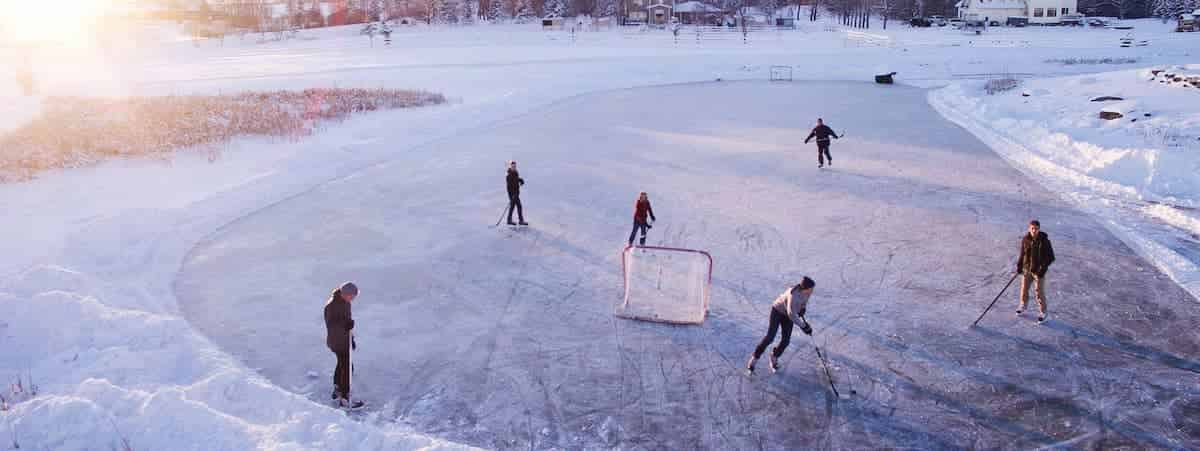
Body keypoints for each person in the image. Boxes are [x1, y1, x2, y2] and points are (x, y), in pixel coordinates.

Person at [747, 277, 815, 374]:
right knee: (770, 337)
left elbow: (804, 302)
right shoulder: (793, 295)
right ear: (805, 288)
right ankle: (754, 359)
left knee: (786, 341)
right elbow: (791, 314)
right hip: (777, 311)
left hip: (788, 315)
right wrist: (804, 326)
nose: (812, 291)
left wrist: (802, 309)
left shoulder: (807, 293)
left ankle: (774, 356)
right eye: (811, 289)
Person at [324, 282, 364, 409]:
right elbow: (332, 324)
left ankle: (337, 389)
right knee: (347, 368)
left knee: (341, 364)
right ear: (345, 293)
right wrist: (345, 324)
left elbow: (346, 321)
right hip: (337, 341)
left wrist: (351, 339)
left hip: (343, 340)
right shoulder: (332, 305)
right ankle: (345, 399)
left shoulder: (345, 303)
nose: (353, 298)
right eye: (352, 296)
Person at [1016, 220, 1055, 324]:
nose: (1034, 230)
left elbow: (1051, 257)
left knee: (1039, 292)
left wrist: (1042, 270)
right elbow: (1022, 253)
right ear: (1029, 228)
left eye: (1036, 228)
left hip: (1038, 271)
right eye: (1032, 228)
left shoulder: (1044, 241)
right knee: (1024, 288)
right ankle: (1023, 305)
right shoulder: (1025, 239)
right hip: (1027, 269)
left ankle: (1043, 312)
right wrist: (1019, 265)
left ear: (1039, 229)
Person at [506, 160, 527, 226]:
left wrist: (520, 180)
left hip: (516, 193)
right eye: (513, 166)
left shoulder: (515, 173)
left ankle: (509, 220)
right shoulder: (509, 175)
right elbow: (508, 187)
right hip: (513, 194)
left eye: (515, 166)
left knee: (513, 206)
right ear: (510, 167)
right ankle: (520, 221)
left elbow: (516, 179)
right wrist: (512, 195)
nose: (514, 167)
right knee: (518, 206)